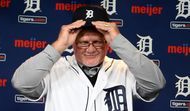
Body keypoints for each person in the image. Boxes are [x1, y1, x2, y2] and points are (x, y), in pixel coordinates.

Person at [11, 5, 166, 111]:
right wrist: (59, 45)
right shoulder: (53, 70)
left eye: (97, 42)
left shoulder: (124, 69)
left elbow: (156, 84)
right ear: (73, 43)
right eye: (84, 43)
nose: (91, 49)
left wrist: (119, 41)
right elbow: (21, 83)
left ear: (107, 43)